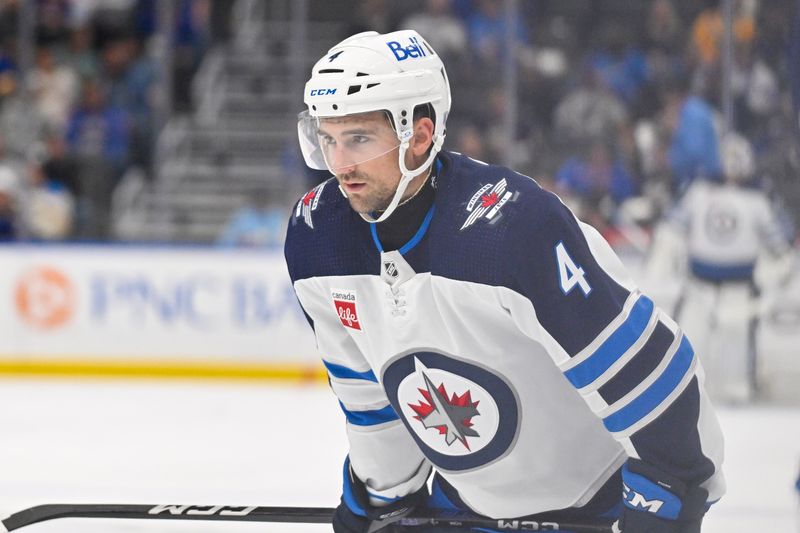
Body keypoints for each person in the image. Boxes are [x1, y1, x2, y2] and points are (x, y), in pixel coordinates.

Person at [284, 30, 725, 533]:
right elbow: (370, 396)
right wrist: (382, 496)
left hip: (596, 503)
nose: (339, 165)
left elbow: (649, 375)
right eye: (327, 139)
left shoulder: (512, 229)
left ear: (420, 135)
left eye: (359, 139)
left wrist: (666, 492)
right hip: (465, 507)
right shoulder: (317, 239)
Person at [649, 133, 792, 403]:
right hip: (698, 287)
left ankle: (739, 394)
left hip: (740, 290)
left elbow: (779, 245)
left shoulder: (759, 200)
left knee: (736, 352)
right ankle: (683, 393)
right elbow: (672, 228)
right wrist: (663, 255)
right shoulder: (698, 192)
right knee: (690, 340)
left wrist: (779, 270)